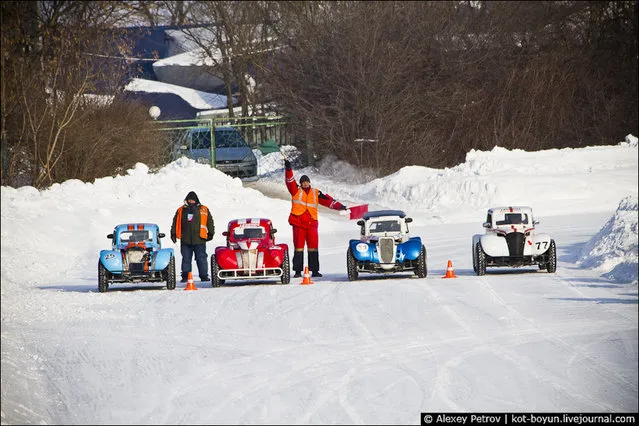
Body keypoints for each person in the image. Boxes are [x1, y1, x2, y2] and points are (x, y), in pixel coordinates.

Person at [284, 160, 348, 278]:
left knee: (313, 247)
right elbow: (290, 181)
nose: (305, 184)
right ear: (301, 184)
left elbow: (328, 201)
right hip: (298, 223)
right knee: (298, 247)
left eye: (307, 182)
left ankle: (315, 271)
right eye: (303, 182)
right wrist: (288, 169)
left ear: (309, 182)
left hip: (312, 223)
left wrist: (341, 207)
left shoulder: (316, 193)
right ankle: (298, 271)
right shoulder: (295, 190)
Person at [170, 191, 215, 282]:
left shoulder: (204, 209)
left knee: (201, 258)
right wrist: (173, 233)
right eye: (189, 199)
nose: (191, 201)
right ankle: (185, 276)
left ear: (196, 200)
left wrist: (211, 232)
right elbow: (175, 222)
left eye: (193, 200)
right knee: (186, 259)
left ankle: (204, 276)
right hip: (185, 239)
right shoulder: (180, 210)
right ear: (186, 200)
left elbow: (209, 221)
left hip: (200, 239)